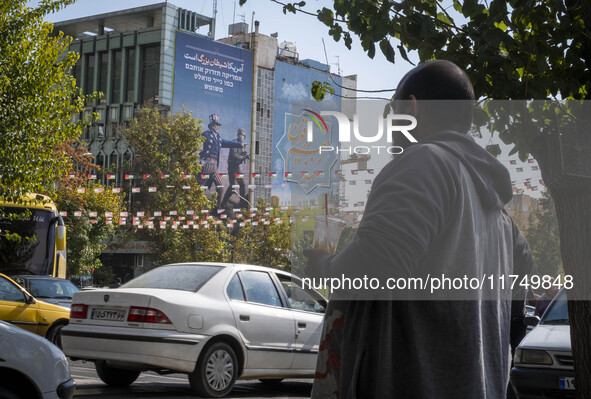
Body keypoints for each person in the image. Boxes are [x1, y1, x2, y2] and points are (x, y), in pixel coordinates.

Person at [305, 60, 533, 399]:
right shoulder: (497, 211)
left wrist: (323, 266)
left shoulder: (425, 161)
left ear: (411, 108)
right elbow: (522, 278)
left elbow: (376, 265)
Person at [198, 114, 245, 209]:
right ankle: (196, 205)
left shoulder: (218, 138)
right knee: (201, 187)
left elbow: (228, 143)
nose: (217, 127)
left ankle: (217, 208)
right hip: (207, 163)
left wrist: (240, 145)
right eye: (216, 125)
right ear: (211, 125)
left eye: (218, 125)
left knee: (221, 188)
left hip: (214, 165)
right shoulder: (206, 134)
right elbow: (197, 138)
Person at [221, 128, 249, 208]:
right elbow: (234, 155)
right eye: (240, 135)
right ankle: (224, 202)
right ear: (238, 135)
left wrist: (245, 155)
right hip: (232, 167)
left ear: (244, 137)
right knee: (233, 186)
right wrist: (243, 157)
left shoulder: (241, 144)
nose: (241, 136)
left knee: (242, 184)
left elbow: (241, 154)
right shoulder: (234, 142)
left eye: (243, 135)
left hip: (237, 167)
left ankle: (242, 203)